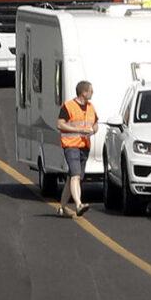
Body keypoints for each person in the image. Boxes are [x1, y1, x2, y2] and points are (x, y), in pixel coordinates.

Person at [54, 81, 98, 218]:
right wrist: (78, 129)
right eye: (91, 90)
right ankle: (79, 204)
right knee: (76, 175)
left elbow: (95, 123)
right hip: (71, 145)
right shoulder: (68, 106)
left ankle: (62, 208)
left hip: (84, 146)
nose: (92, 93)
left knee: (72, 177)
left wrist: (93, 130)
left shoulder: (91, 107)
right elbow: (60, 124)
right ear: (84, 93)